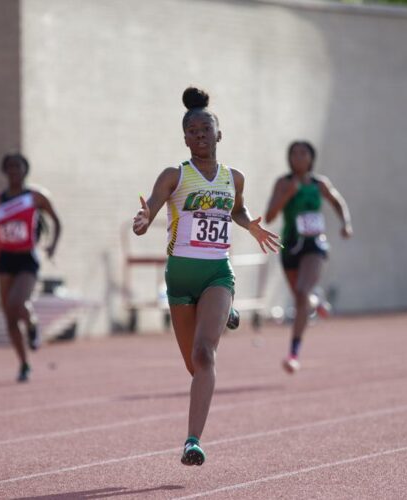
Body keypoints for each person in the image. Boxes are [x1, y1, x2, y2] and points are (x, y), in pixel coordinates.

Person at [133, 87, 279, 466]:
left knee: (205, 355)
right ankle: (224, 314)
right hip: (180, 279)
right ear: (185, 138)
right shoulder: (175, 175)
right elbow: (149, 208)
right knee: (193, 366)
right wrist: (144, 218)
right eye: (193, 131)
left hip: (216, 271)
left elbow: (238, 211)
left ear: (219, 134)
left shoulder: (234, 177)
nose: (200, 136)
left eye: (206, 129)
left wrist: (252, 227)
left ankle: (192, 441)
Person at [265, 141, 352, 374]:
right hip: (290, 246)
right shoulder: (283, 183)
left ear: (311, 158)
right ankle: (318, 302)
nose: (298, 157)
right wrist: (286, 195)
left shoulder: (319, 184)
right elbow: (270, 216)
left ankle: (293, 352)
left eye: (303, 153)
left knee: (302, 293)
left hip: (315, 245)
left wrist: (346, 224)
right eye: (293, 153)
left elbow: (338, 202)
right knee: (302, 299)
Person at [0, 153, 61, 382]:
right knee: (9, 317)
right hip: (6, 259)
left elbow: (56, 221)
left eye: (18, 166)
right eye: (9, 167)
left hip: (27, 258)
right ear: (5, 171)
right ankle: (24, 364)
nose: (14, 170)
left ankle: (32, 324)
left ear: (25, 170)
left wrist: (52, 246)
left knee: (17, 302)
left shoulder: (35, 197)